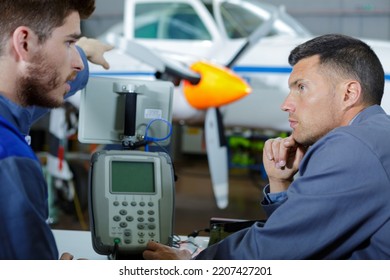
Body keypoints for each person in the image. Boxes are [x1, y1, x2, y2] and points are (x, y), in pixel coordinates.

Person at [143, 33, 390, 260]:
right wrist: (280, 184)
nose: (286, 104)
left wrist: (192, 264)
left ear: (349, 94)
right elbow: (304, 236)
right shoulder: (376, 136)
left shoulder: (351, 146)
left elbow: (272, 253)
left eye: (301, 87)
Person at [0, 0, 113, 259]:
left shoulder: (13, 113)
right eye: (68, 43)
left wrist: (81, 49)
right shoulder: (10, 160)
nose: (79, 65)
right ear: (25, 43)